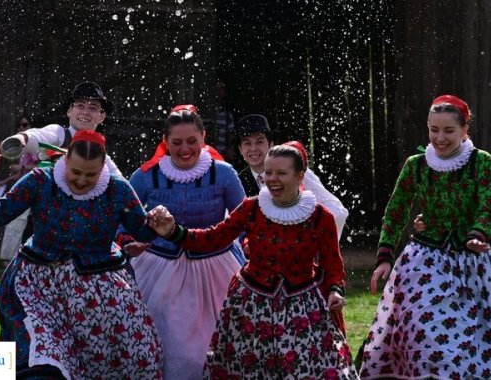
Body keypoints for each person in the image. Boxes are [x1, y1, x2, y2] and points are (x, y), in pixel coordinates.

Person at [149, 143, 358, 378]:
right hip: (251, 306)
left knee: (307, 369)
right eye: (268, 172)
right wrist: (173, 232)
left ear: (300, 176)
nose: (272, 179)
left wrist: (334, 291)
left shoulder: (321, 217)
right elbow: (213, 238)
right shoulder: (251, 207)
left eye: (281, 173)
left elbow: (332, 264)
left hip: (303, 307)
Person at [359, 95, 491, 379]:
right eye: (433, 129)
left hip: (475, 262)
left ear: (464, 130)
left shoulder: (481, 162)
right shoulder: (416, 165)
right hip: (427, 261)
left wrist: (477, 235)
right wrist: (385, 256)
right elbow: (396, 211)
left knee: (479, 341)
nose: (440, 138)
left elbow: (488, 209)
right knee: (424, 334)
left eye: (449, 130)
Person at [0, 130, 164, 378]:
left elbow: (141, 231)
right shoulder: (40, 181)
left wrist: (158, 224)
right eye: (76, 172)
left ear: (102, 168)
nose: (82, 180)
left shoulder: (118, 189)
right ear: (65, 159)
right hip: (40, 286)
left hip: (102, 291)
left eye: (91, 175)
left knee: (136, 358)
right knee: (43, 361)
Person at [121, 105, 246, 380]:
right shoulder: (146, 175)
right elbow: (122, 220)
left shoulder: (224, 174)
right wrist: (129, 241)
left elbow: (245, 222)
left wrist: (251, 249)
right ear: (165, 142)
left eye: (192, 141)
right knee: (164, 345)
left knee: (216, 346)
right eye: (176, 142)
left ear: (204, 137)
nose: (185, 148)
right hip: (158, 270)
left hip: (216, 269)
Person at [236, 114, 349, 239]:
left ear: (271, 144)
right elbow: (235, 227)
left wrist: (311, 240)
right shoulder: (236, 182)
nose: (253, 148)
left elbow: (337, 211)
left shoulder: (296, 171)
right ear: (240, 149)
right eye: (247, 143)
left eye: (259, 142)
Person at [0, 81, 122, 176]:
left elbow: (122, 186)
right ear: (69, 111)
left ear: (102, 117)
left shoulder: (102, 156)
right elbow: (40, 135)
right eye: (80, 105)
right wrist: (22, 139)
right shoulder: (59, 133)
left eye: (93, 108)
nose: (85, 112)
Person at [0, 114, 36, 263]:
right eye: (20, 125)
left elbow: (42, 165)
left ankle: (11, 259)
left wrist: (21, 166)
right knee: (15, 222)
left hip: (32, 190)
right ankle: (12, 259)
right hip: (23, 188)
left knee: (17, 222)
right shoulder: (24, 148)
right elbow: (20, 175)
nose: (21, 128)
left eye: (25, 125)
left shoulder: (35, 145)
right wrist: (3, 182)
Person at [213, 80, 236, 162]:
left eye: (221, 89)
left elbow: (231, 133)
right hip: (207, 153)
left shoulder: (227, 113)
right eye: (217, 90)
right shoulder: (208, 112)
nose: (219, 93)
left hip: (222, 154)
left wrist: (230, 149)